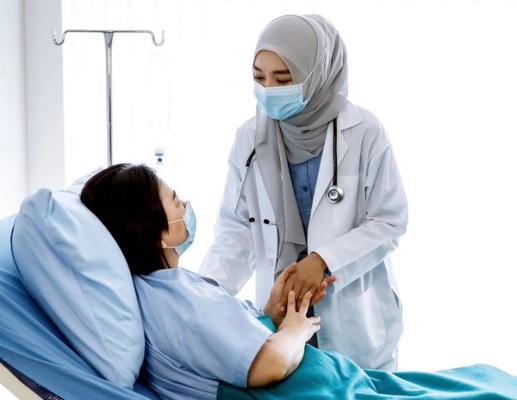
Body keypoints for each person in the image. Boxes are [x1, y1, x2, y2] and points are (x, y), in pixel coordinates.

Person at [80, 164, 517, 400]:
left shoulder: (166, 290)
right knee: (490, 390)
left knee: (482, 380)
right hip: (317, 389)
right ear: (156, 229)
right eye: (176, 201)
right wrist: (294, 329)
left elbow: (222, 348)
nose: (186, 205)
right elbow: (269, 365)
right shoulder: (177, 302)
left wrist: (271, 314)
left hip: (328, 379)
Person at [200, 14, 408, 371]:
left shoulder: (365, 132)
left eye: (283, 79)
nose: (268, 89)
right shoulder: (249, 139)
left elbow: (389, 221)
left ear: (317, 74)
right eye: (259, 78)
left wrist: (323, 260)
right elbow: (236, 231)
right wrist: (203, 296)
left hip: (353, 317)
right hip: (282, 313)